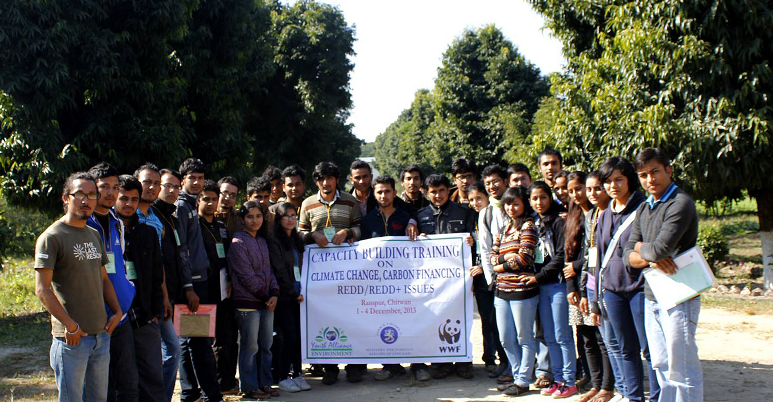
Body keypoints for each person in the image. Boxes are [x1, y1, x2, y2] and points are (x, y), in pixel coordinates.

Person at [35, 172, 123, 402]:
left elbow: (103, 278)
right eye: (80, 194)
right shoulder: (51, 237)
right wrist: (70, 326)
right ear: (66, 198)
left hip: (101, 335)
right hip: (72, 339)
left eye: (92, 195)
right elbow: (43, 289)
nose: (86, 200)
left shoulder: (93, 234)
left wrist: (117, 311)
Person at [624, 148, 702, 402]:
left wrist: (643, 251)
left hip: (680, 292)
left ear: (668, 170)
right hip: (653, 294)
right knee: (661, 364)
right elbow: (627, 254)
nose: (650, 180)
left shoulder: (681, 203)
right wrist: (649, 257)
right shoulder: (644, 208)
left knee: (683, 367)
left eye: (655, 172)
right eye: (644, 175)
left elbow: (659, 250)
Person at [593, 157, 658, 402]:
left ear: (630, 179)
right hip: (612, 291)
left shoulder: (644, 208)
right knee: (624, 349)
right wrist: (597, 296)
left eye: (619, 179)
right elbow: (598, 255)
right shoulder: (605, 212)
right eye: (608, 182)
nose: (613, 186)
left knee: (649, 350)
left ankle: (656, 398)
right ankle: (634, 398)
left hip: (640, 289)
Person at [298, 161, 362, 385]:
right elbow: (299, 232)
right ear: (317, 181)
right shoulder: (307, 204)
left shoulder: (350, 201)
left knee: (351, 315)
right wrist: (312, 236)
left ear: (337, 179)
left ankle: (354, 366)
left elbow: (359, 228)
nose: (326, 182)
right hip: (320, 274)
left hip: (348, 271)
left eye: (330, 178)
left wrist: (347, 232)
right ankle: (331, 368)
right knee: (327, 317)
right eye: (321, 178)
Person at [87, 162, 139, 402]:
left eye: (114, 187)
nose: (110, 192)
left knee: (128, 385)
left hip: (121, 316)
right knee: (101, 388)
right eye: (104, 186)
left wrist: (127, 296)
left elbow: (119, 265)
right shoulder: (82, 224)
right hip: (95, 320)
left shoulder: (117, 223)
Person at [416, 174, 476, 380]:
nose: (438, 195)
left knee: (462, 317)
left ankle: (463, 362)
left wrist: (471, 240)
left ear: (447, 190)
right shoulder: (420, 215)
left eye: (441, 190)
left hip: (459, 279)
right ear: (426, 192)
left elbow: (476, 240)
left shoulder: (464, 212)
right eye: (433, 191)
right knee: (436, 318)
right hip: (432, 280)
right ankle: (440, 362)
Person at [360, 175, 417, 381]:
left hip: (406, 281)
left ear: (394, 192)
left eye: (387, 191)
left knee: (410, 319)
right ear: (374, 195)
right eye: (379, 192)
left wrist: (414, 223)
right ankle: (391, 365)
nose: (383, 195)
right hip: (378, 284)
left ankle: (418, 364)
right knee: (384, 321)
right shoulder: (367, 221)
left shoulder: (406, 217)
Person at [175, 157, 223, 402]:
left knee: (191, 340)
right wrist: (188, 286)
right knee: (198, 342)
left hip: (201, 279)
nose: (196, 182)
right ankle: (210, 396)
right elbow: (181, 248)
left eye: (200, 178)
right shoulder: (182, 206)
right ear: (182, 179)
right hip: (193, 283)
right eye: (191, 178)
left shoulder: (192, 204)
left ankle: (190, 391)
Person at [563, 172, 615, 402]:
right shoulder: (575, 216)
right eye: (571, 190)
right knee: (585, 337)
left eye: (580, 188)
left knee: (602, 337)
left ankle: (607, 385)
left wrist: (577, 270)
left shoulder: (602, 213)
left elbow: (594, 255)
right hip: (581, 284)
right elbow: (569, 255)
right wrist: (573, 287)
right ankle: (595, 384)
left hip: (596, 284)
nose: (578, 194)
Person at [115, 175, 166, 402]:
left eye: (134, 199)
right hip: (117, 314)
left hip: (144, 313)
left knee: (152, 373)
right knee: (124, 378)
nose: (128, 204)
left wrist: (155, 312)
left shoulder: (147, 233)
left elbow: (157, 273)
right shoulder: (104, 231)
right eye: (123, 198)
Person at [488, 187, 539, 397]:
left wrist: (500, 265)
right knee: (506, 338)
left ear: (524, 204)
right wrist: (502, 261)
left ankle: (523, 380)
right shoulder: (505, 228)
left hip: (522, 291)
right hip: (502, 291)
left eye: (516, 203)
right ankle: (516, 375)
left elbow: (524, 257)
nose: (511, 208)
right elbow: (492, 254)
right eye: (508, 204)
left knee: (524, 337)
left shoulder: (528, 226)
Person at [529, 181, 578, 398]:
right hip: (541, 286)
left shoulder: (559, 221)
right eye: (534, 198)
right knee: (548, 336)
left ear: (550, 198)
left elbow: (561, 256)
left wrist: (538, 276)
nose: (539, 202)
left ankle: (570, 380)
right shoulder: (532, 223)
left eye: (543, 197)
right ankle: (557, 379)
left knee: (562, 335)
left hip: (556, 284)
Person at [229, 201, 281, 400]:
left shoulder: (262, 241)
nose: (255, 220)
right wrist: (266, 296)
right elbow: (245, 275)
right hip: (248, 303)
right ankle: (249, 387)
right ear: (242, 219)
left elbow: (268, 272)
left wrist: (274, 293)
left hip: (267, 302)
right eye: (250, 216)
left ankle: (265, 383)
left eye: (258, 216)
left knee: (266, 345)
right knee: (250, 348)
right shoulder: (238, 242)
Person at [586, 171, 627, 402]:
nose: (593, 193)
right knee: (608, 341)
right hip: (593, 284)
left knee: (619, 342)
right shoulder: (592, 216)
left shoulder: (613, 214)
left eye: (597, 188)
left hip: (611, 285)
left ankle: (622, 388)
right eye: (589, 189)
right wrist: (584, 288)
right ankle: (620, 387)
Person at [198, 180, 239, 394]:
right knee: (196, 342)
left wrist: (230, 280)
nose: (212, 203)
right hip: (199, 289)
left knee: (225, 338)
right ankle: (195, 389)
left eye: (214, 199)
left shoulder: (221, 225)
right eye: (207, 199)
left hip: (223, 289)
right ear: (198, 200)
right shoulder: (193, 224)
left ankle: (224, 383)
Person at [268, 202, 312, 393]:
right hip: (285, 297)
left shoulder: (296, 240)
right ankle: (283, 376)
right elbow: (278, 269)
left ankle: (298, 374)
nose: (290, 219)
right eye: (286, 216)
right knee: (288, 337)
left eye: (294, 215)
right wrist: (291, 292)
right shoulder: (274, 240)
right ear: (278, 219)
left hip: (299, 295)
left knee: (299, 338)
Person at [151, 169, 184, 401]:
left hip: (172, 292)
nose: (172, 191)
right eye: (167, 186)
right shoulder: (150, 215)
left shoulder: (171, 217)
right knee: (170, 350)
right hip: (156, 295)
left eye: (176, 186)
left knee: (172, 350)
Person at [475, 165, 511, 379]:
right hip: (497, 279)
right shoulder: (485, 213)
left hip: (520, 275)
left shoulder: (515, 204)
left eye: (496, 181)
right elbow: (485, 247)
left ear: (505, 181)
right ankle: (505, 362)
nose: (492, 186)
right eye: (488, 183)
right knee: (499, 325)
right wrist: (492, 278)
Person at [266, 165, 307, 237]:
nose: (294, 188)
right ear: (283, 187)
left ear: (304, 185)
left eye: (298, 184)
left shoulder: (310, 207)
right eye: (290, 185)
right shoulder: (273, 211)